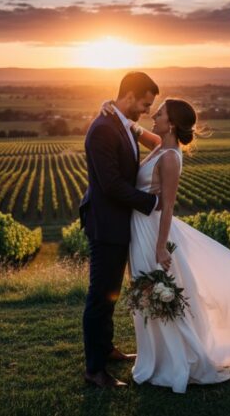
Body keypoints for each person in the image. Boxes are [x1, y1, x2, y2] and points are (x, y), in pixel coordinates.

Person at [99, 97, 230, 393]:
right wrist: (113, 110)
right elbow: (135, 130)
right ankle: (156, 357)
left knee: (154, 295)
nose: (153, 117)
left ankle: (174, 361)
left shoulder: (171, 158)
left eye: (159, 114)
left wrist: (160, 248)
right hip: (141, 228)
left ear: (171, 123)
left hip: (153, 232)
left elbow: (167, 207)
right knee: (148, 295)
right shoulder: (161, 145)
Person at [79, 71, 161, 388]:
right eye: (144, 103)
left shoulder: (119, 120)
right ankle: (94, 370)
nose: (146, 110)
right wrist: (151, 203)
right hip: (106, 224)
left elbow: (147, 137)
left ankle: (107, 349)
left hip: (117, 222)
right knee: (100, 296)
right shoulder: (102, 129)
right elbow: (111, 185)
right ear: (129, 96)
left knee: (110, 293)